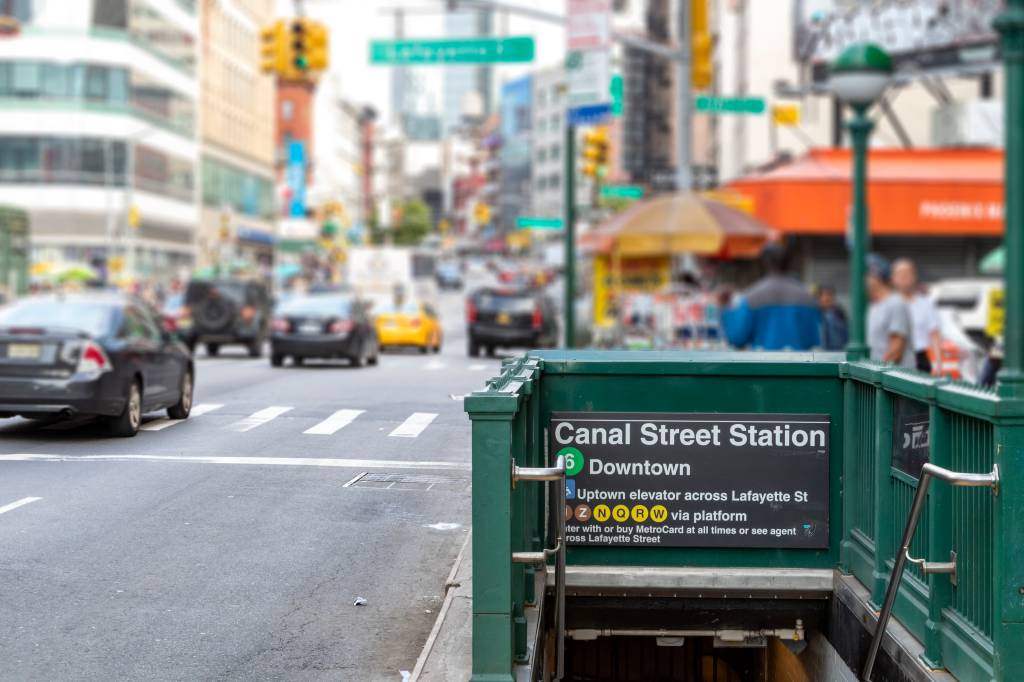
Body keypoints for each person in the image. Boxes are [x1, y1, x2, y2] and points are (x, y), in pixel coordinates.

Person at [720, 243, 821, 350]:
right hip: (801, 364)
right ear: (789, 262)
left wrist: (724, 307)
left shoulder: (753, 296)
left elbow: (737, 338)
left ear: (765, 263)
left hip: (763, 364)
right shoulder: (807, 297)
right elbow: (815, 339)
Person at [892, 258, 942, 374]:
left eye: (907, 273)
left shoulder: (926, 304)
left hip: (920, 357)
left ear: (914, 276)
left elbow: (934, 334)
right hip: (895, 358)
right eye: (900, 274)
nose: (904, 277)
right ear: (893, 278)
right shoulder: (888, 304)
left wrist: (938, 365)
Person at [866, 255, 915, 368]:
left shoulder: (895, 303)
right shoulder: (872, 306)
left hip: (893, 381)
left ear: (874, 278)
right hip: (877, 380)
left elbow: (896, 350)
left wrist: (875, 375)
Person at [816, 285, 848, 351]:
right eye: (823, 295)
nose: (826, 298)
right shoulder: (816, 315)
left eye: (829, 295)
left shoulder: (838, 315)